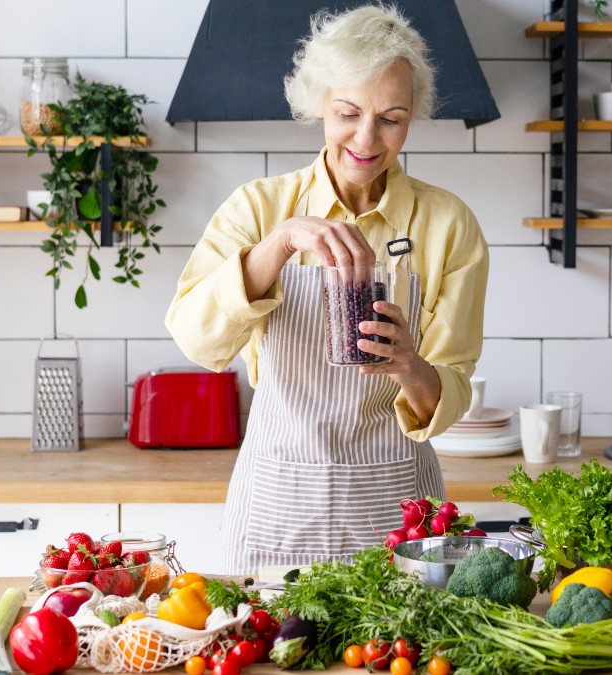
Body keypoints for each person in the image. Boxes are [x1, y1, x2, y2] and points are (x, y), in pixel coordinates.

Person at [165, 3, 488, 575]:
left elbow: (453, 386)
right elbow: (195, 338)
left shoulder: (449, 224)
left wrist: (410, 364)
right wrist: (281, 242)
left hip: (398, 511)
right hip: (277, 504)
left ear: (412, 117)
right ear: (319, 103)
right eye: (348, 112)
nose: (367, 138)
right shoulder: (259, 208)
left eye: (391, 117)